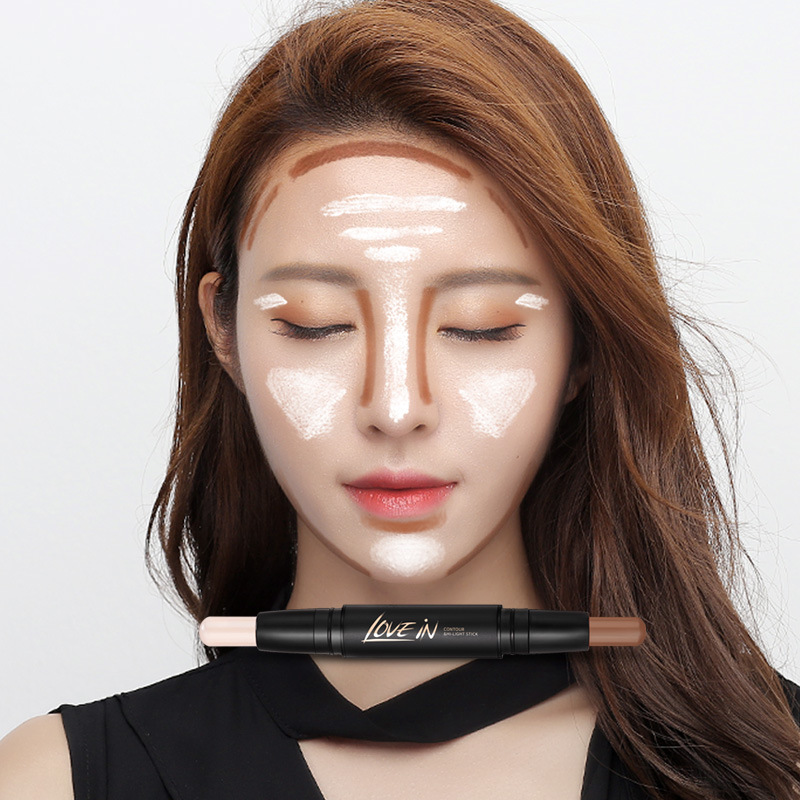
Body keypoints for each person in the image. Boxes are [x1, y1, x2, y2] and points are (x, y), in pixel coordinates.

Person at [2, 0, 799, 798]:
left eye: (480, 326)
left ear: (582, 345)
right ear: (225, 330)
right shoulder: (54, 781)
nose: (395, 406)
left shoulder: (777, 769)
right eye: (315, 324)